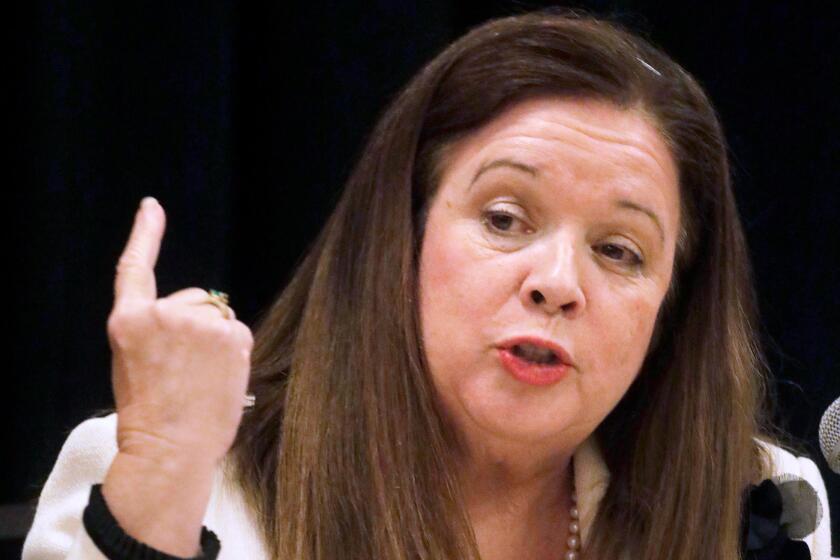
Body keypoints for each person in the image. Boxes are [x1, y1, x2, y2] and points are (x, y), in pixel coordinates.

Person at [22, 8, 833, 560]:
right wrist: (161, 473)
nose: (556, 283)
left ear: (673, 307)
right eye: (506, 219)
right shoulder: (178, 474)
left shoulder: (756, 504)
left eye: (619, 251)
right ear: (396, 239)